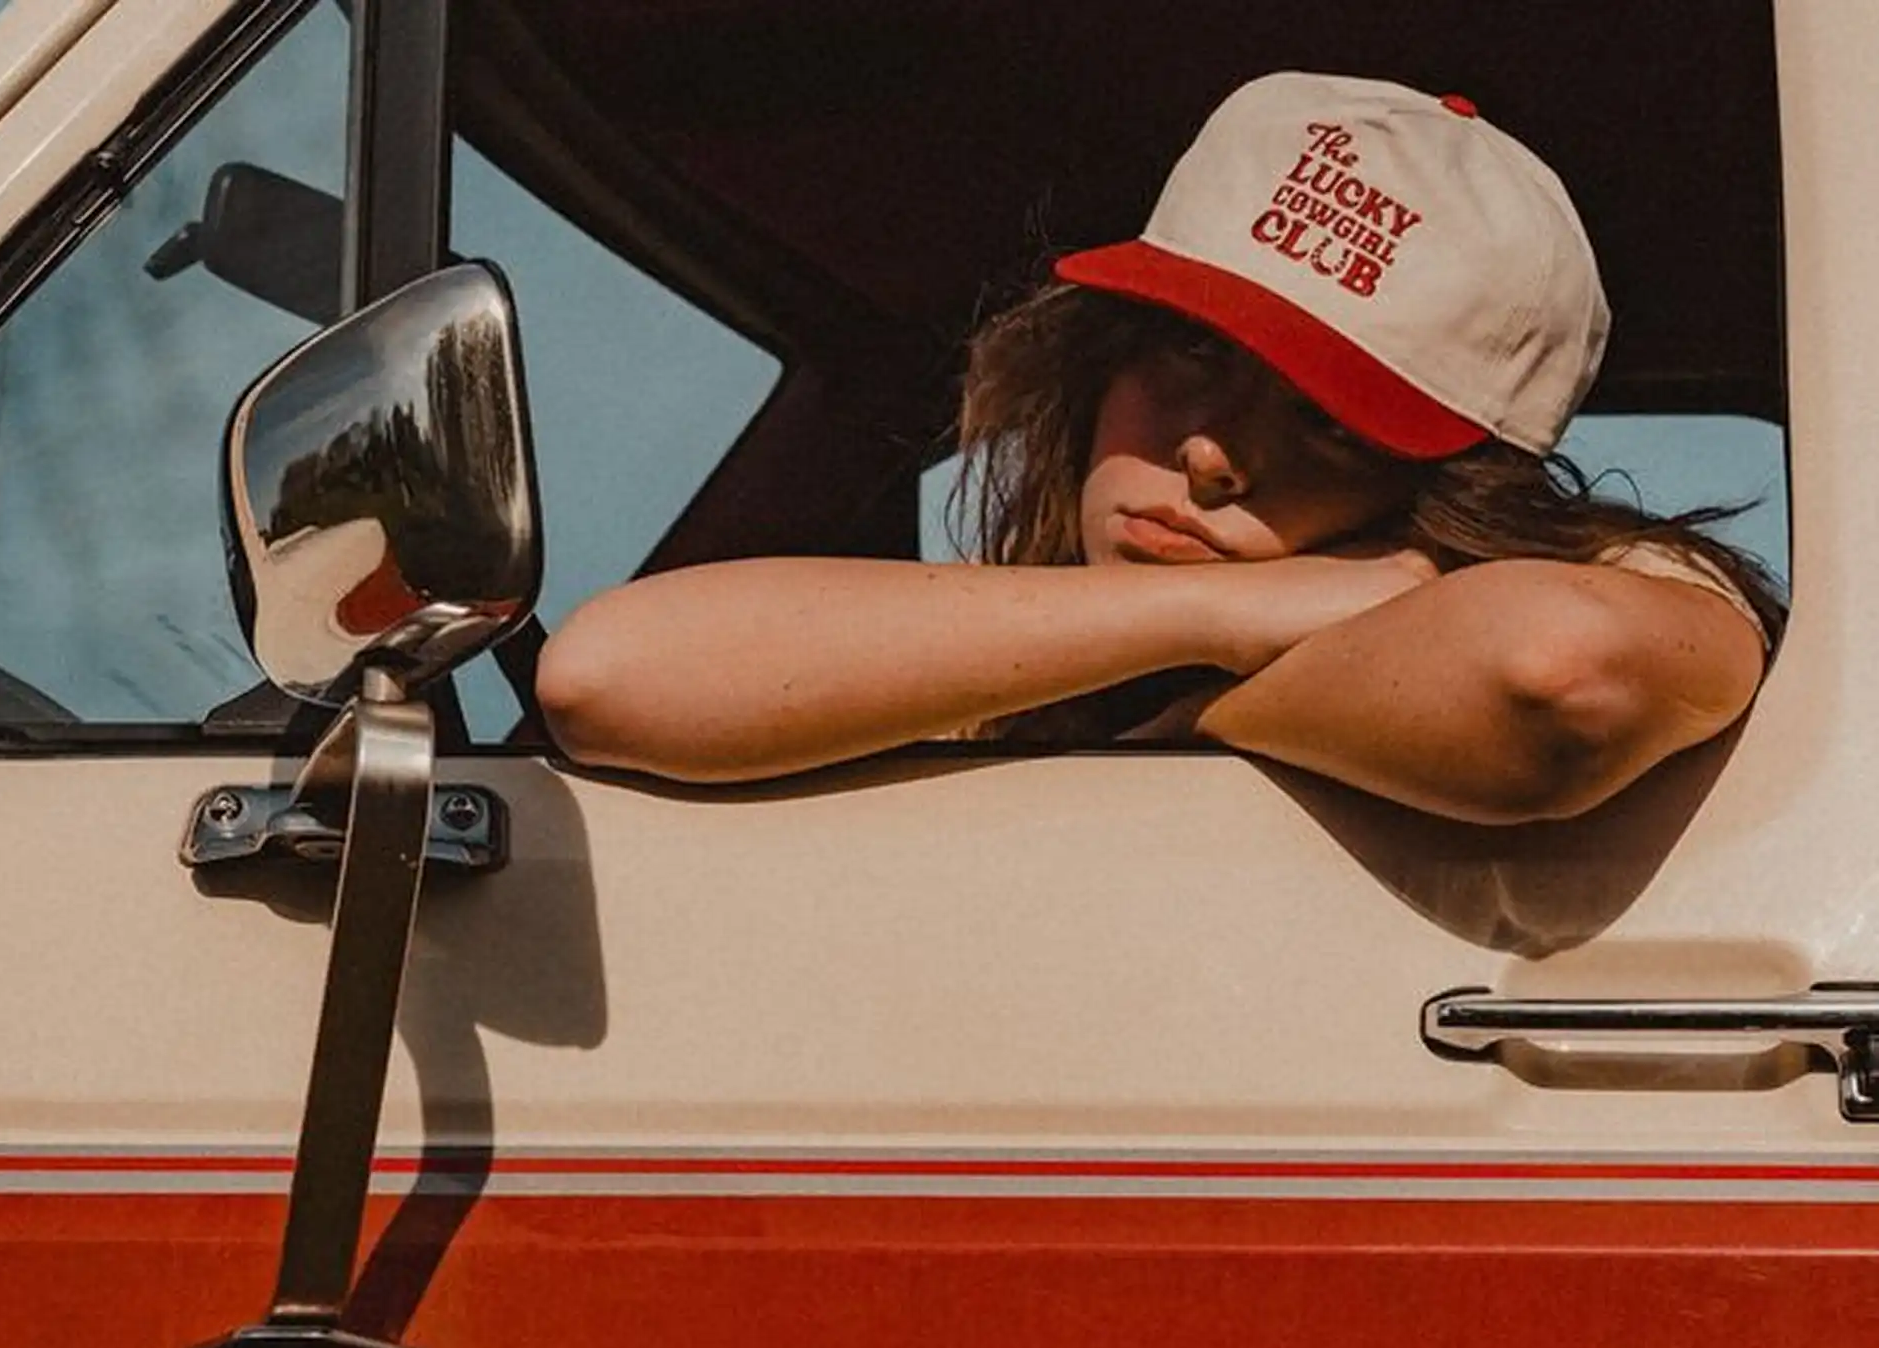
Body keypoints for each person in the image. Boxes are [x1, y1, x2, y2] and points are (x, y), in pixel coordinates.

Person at [536, 71, 1784, 824]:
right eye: (1189, 352)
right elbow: (606, 676)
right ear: (1095, 360)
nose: (1210, 458)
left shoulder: (1619, 584)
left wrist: (1203, 715)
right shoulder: (1018, 654)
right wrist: (1226, 614)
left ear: (1448, 488)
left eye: (1328, 421)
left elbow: (1554, 672)